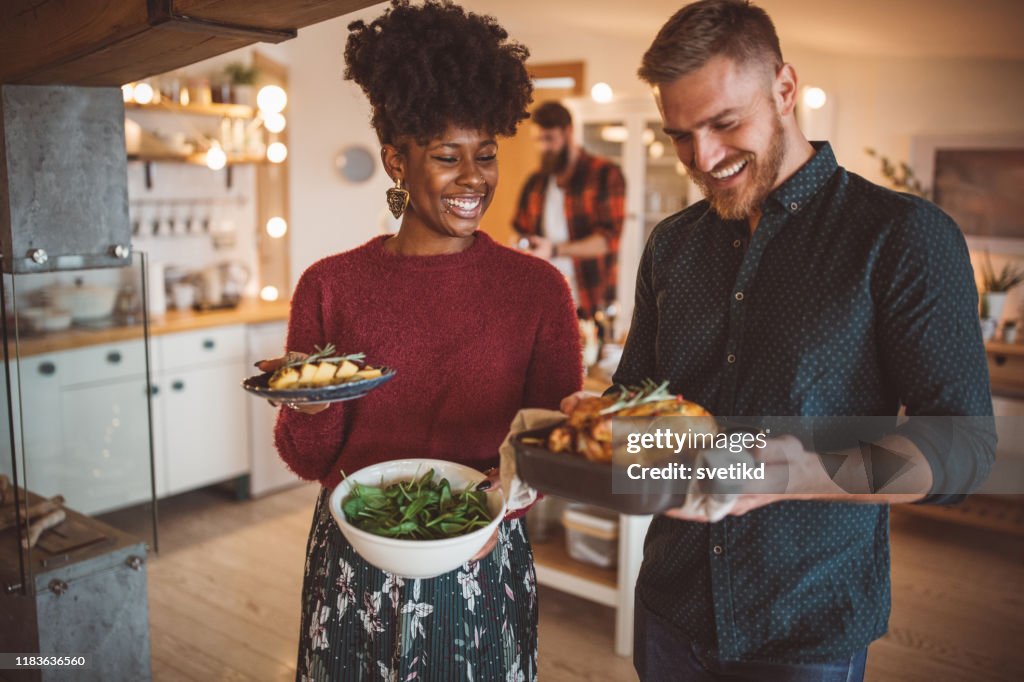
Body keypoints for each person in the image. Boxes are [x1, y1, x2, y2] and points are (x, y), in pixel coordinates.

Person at [560, 1, 995, 680]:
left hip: (806, 625)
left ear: (785, 90)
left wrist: (801, 472)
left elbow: (963, 449)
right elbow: (636, 409)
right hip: (668, 604)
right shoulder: (671, 245)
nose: (701, 158)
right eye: (680, 135)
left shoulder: (902, 237)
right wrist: (584, 442)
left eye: (724, 123)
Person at [258, 2, 582, 680]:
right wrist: (307, 408)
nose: (474, 178)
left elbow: (552, 441)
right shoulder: (331, 285)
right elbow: (307, 457)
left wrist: (511, 498)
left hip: (482, 553)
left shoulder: (538, 289)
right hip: (354, 558)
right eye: (447, 157)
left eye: (485, 155)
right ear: (396, 160)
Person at [513, 101, 626, 319]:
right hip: (542, 298)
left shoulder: (605, 174)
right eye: (538, 140)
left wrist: (555, 250)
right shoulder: (535, 182)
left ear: (569, 132)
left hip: (589, 298)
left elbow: (608, 240)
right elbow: (520, 230)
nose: (543, 147)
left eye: (549, 139)